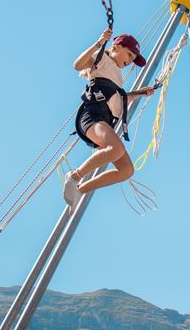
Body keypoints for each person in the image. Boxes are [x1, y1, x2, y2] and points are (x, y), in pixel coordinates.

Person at [64, 28, 155, 209]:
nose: (130, 61)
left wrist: (140, 93)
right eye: (129, 54)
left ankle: (82, 189)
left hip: (104, 120)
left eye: (132, 59)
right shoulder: (103, 59)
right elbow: (77, 64)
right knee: (116, 149)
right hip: (91, 116)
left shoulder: (117, 77)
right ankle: (75, 176)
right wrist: (98, 43)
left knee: (127, 170)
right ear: (116, 47)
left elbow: (118, 100)